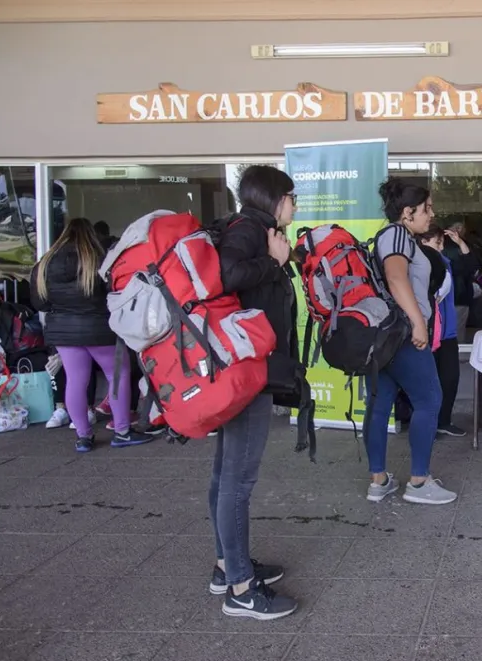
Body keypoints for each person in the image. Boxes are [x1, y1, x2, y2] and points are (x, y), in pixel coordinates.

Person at [205, 164, 299, 620]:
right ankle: (241, 589)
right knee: (237, 481)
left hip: (241, 366)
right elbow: (226, 275)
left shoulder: (252, 229)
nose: (295, 205)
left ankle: (228, 566)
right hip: (244, 370)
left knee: (226, 474)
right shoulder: (249, 230)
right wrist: (274, 262)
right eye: (291, 197)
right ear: (274, 199)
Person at [365, 177, 455, 505]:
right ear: (407, 212)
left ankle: (379, 482)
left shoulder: (391, 235)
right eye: (426, 208)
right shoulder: (397, 235)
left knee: (379, 405)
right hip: (402, 334)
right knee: (429, 400)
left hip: (384, 336)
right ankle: (418, 482)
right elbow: (395, 276)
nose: (431, 214)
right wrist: (418, 323)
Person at [29, 217, 153, 453]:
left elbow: (40, 303)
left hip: (64, 332)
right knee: (117, 375)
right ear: (91, 236)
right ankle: (122, 432)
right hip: (100, 330)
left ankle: (83, 437)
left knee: (76, 380)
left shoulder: (44, 263)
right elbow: (115, 293)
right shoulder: (99, 260)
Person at [419, 224, 465, 437]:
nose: (441, 247)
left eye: (442, 243)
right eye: (437, 243)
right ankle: (427, 423)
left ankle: (443, 420)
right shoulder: (415, 265)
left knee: (450, 377)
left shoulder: (445, 263)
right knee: (428, 381)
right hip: (424, 332)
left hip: (446, 332)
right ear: (423, 242)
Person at [442, 221, 482, 342]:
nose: (459, 230)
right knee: (456, 333)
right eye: (456, 227)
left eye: (461, 227)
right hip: (458, 294)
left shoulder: (459, 245)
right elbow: (473, 266)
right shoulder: (458, 246)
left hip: (452, 294)